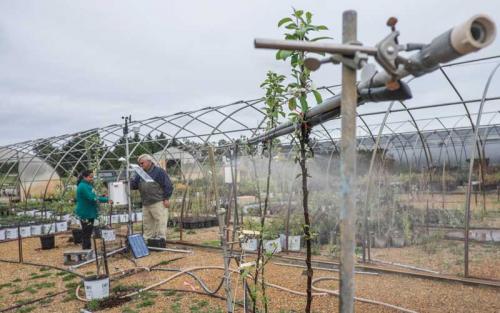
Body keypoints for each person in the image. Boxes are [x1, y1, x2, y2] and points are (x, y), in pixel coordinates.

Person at [130, 154, 173, 243]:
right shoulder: (140, 173)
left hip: (157, 201)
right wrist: (128, 181)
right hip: (146, 203)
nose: (141, 165)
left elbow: (168, 185)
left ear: (149, 162)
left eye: (142, 163)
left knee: (160, 222)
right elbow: (134, 185)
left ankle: (160, 241)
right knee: (147, 223)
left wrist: (166, 198)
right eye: (139, 164)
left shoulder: (159, 172)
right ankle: (147, 241)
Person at [74, 170, 109, 250]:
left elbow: (93, 195)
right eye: (90, 177)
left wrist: (102, 196)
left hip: (88, 212)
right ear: (84, 177)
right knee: (86, 233)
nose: (92, 178)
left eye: (92, 177)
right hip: (85, 213)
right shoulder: (83, 186)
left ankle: (87, 249)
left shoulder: (87, 185)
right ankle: (86, 250)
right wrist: (106, 200)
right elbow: (91, 198)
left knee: (88, 232)